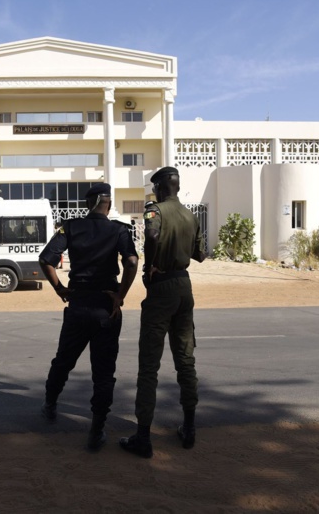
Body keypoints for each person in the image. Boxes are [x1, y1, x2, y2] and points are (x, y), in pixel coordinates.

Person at [39, 183, 139, 452]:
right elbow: (131, 262)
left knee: (63, 360)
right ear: (107, 203)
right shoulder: (120, 229)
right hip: (106, 308)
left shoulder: (70, 227)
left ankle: (50, 405)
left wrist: (60, 289)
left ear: (92, 202)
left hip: (79, 304)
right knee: (104, 373)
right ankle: (96, 430)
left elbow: (46, 259)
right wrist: (120, 294)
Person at [120, 166, 206, 459]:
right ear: (177, 188)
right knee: (185, 360)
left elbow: (153, 237)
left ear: (158, 188)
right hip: (185, 287)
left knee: (149, 365)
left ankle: (143, 437)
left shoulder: (154, 211)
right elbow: (200, 254)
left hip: (162, 289)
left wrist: (150, 266)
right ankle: (190, 429)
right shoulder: (191, 215)